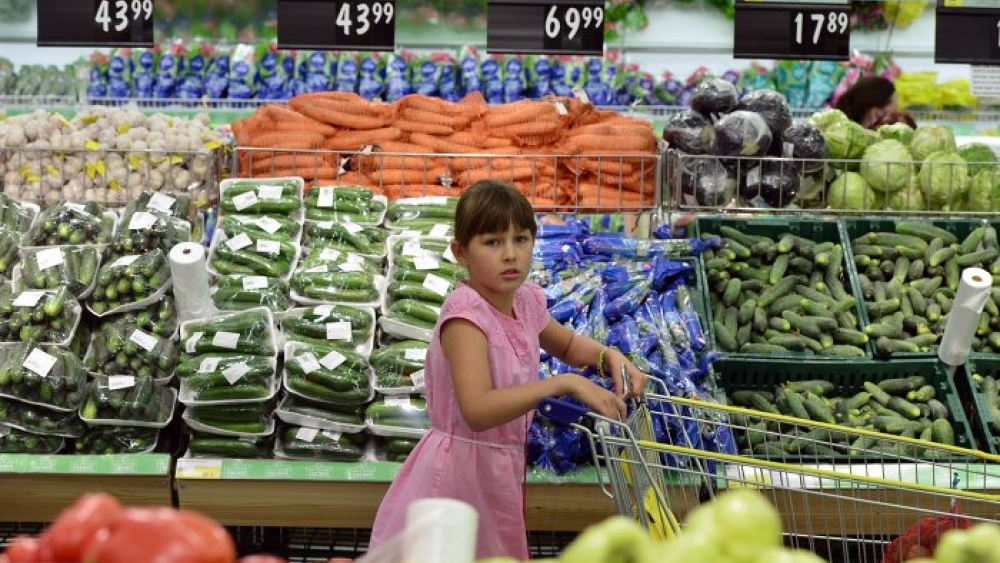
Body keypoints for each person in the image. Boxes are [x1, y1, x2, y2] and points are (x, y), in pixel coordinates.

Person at [368, 180, 648, 559]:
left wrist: (608, 357)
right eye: (492, 242)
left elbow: (565, 345)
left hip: (500, 468)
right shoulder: (466, 320)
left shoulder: (525, 301)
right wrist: (561, 384)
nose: (510, 255)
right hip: (459, 473)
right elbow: (478, 410)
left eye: (521, 239)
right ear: (460, 252)